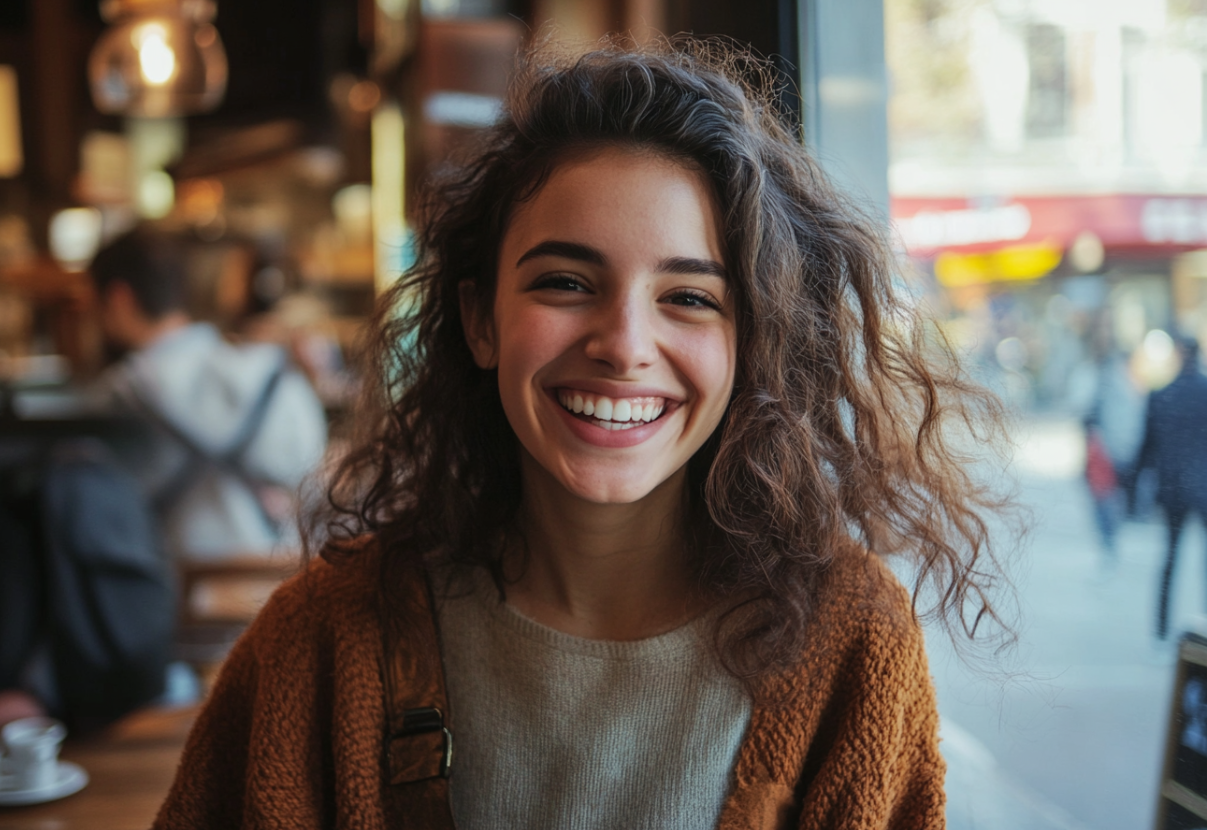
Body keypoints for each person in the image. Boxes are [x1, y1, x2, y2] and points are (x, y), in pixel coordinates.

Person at [153, 42, 1012, 829]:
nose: (625, 346)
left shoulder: (849, 638)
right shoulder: (325, 637)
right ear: (480, 321)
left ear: (753, 343)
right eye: (565, 282)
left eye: (689, 298)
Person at [86, 230, 328, 562]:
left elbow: (104, 512)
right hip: (277, 582)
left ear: (118, 298)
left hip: (176, 594)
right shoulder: (273, 374)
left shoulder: (118, 394)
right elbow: (312, 478)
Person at [1129, 336, 1207, 640]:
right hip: (1203, 487)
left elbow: (1145, 448)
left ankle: (1160, 633)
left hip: (1173, 488)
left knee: (1169, 560)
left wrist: (1132, 491)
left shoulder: (1161, 395)